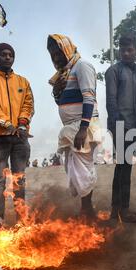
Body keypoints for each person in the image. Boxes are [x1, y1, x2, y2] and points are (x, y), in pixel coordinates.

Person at [47, 34, 102, 217]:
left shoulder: (82, 66)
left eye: (58, 52)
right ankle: (85, 209)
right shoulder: (64, 74)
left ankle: (88, 210)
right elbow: (61, 102)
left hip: (83, 126)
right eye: (52, 54)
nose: (56, 58)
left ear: (67, 48)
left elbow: (89, 98)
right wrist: (56, 91)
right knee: (75, 170)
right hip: (73, 127)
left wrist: (83, 129)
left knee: (83, 170)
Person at [0, 43, 34, 222]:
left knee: (19, 179)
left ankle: (21, 220)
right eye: (3, 54)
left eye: (10, 54)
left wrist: (21, 124)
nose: (7, 57)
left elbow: (28, 105)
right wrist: (8, 125)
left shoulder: (23, 82)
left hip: (20, 137)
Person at [105, 34, 136, 223]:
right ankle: (122, 210)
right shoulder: (113, 71)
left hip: (133, 124)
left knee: (124, 168)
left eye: (130, 50)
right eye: (123, 50)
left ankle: (117, 209)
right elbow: (111, 100)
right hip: (120, 124)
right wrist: (116, 124)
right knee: (123, 167)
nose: (126, 53)